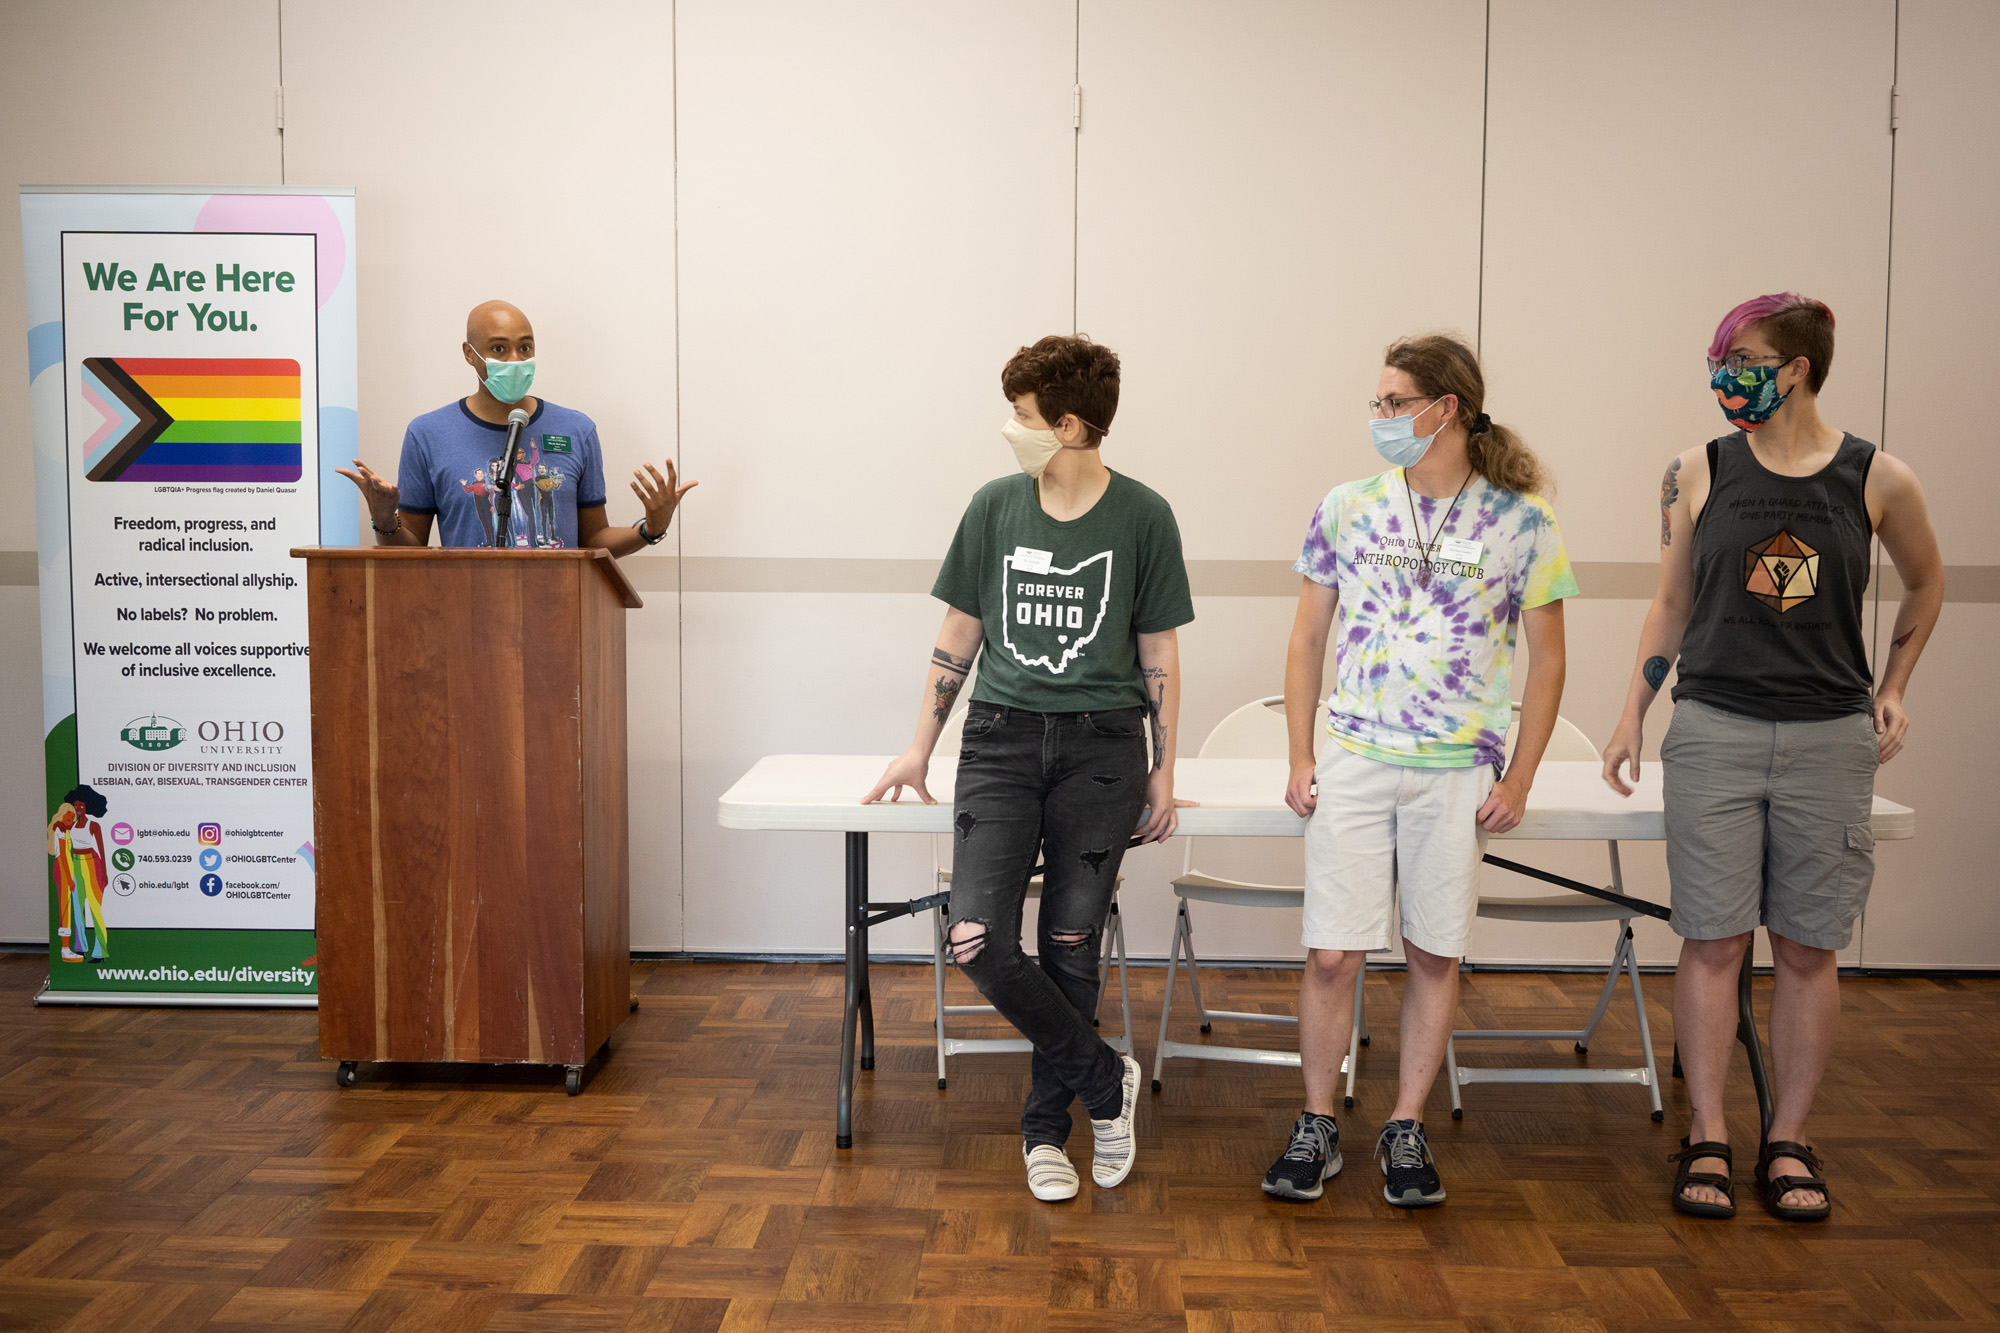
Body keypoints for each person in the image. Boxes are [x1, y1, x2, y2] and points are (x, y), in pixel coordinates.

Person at [1602, 293, 1942, 1222]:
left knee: (1806, 944)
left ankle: (1787, 1139)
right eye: (1719, 356)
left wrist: (1896, 685)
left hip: (1831, 736)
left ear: (1794, 368)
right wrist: (1634, 709)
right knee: (1711, 937)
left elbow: (1927, 578)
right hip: (1713, 726)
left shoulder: (1879, 478)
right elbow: (1670, 602)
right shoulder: (1694, 470)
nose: (1723, 372)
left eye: (1741, 356)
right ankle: (1707, 1135)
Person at [863, 334, 1193, 1203]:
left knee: (1071, 942)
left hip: (1103, 747)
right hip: (1001, 743)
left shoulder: (1145, 516)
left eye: (1022, 414)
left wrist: (1163, 765)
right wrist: (919, 743)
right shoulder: (994, 507)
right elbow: (959, 635)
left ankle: (1046, 1128)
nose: (1012, 428)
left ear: (1070, 424)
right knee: (976, 935)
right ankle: (1102, 1078)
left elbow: (1157, 649)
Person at [1271, 333, 1575, 1208]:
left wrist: (1518, 776)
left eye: (1393, 401)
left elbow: (1549, 662)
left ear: (1446, 408)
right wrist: (1302, 752)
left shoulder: (1523, 520)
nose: (1380, 417)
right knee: (1333, 952)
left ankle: (1405, 1123)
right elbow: (1305, 640)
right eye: (1377, 401)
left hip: (1454, 771)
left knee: (1433, 950)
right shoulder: (1348, 505)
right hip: (1357, 756)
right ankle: (1319, 1118)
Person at [338, 301, 695, 551]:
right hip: (464, 619)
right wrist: (384, 518)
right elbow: (409, 551)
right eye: (499, 348)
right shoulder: (427, 434)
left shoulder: (577, 430)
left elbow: (593, 539)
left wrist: (651, 529)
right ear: (469, 353)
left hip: (558, 620)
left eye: (525, 348)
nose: (515, 360)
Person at [50, 786, 111, 962]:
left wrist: (105, 873)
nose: (78, 809)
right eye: (76, 806)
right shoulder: (71, 825)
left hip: (92, 863)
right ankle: (80, 948)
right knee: (77, 907)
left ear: (88, 806)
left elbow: (102, 848)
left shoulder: (94, 825)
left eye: (82, 806)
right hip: (75, 863)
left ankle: (100, 952)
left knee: (95, 908)